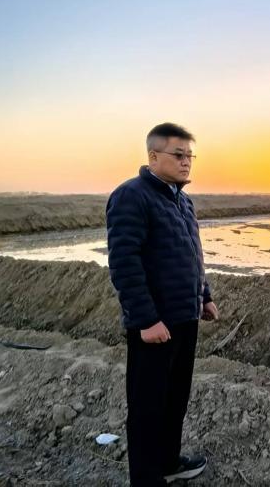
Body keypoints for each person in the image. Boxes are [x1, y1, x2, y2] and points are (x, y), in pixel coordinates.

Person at [106, 122, 219, 486]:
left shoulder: (182, 201)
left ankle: (169, 462)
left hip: (185, 317)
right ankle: (146, 477)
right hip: (155, 323)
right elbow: (125, 263)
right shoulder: (132, 196)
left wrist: (204, 296)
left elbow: (192, 255)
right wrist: (145, 320)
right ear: (153, 157)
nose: (187, 162)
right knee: (148, 405)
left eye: (191, 156)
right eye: (178, 154)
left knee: (175, 399)